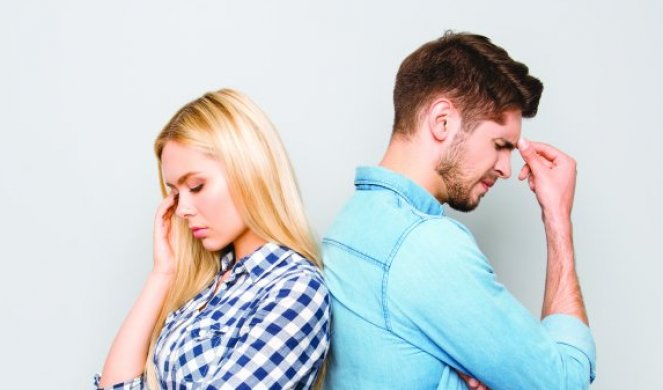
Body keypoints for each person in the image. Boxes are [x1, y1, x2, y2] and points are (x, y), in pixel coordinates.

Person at [323, 32, 596, 389]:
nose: (506, 168)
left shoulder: (349, 223)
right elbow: (564, 383)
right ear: (442, 121)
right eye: (499, 145)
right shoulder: (425, 246)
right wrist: (557, 216)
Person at [95, 89, 331, 389]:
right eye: (175, 193)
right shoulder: (204, 288)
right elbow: (116, 387)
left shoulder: (295, 289)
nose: (182, 209)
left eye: (196, 186)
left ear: (249, 171)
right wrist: (161, 274)